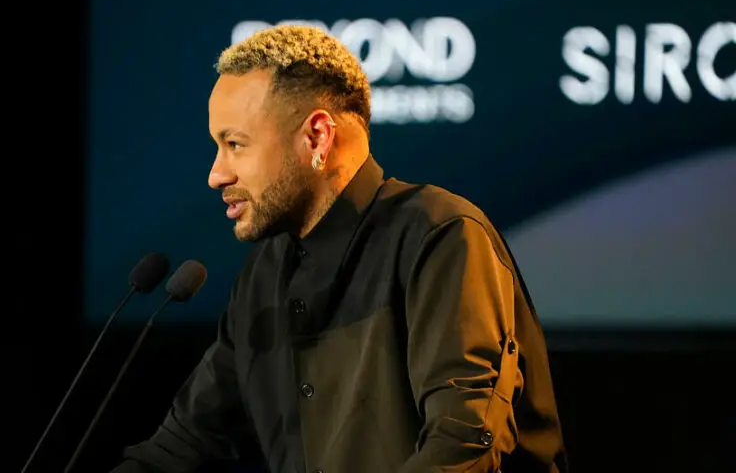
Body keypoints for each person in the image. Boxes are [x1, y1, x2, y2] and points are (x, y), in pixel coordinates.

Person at [111, 24, 568, 473]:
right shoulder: (262, 276)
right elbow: (180, 445)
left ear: (317, 136)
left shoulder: (439, 236)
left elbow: (463, 445)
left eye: (235, 144)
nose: (216, 174)